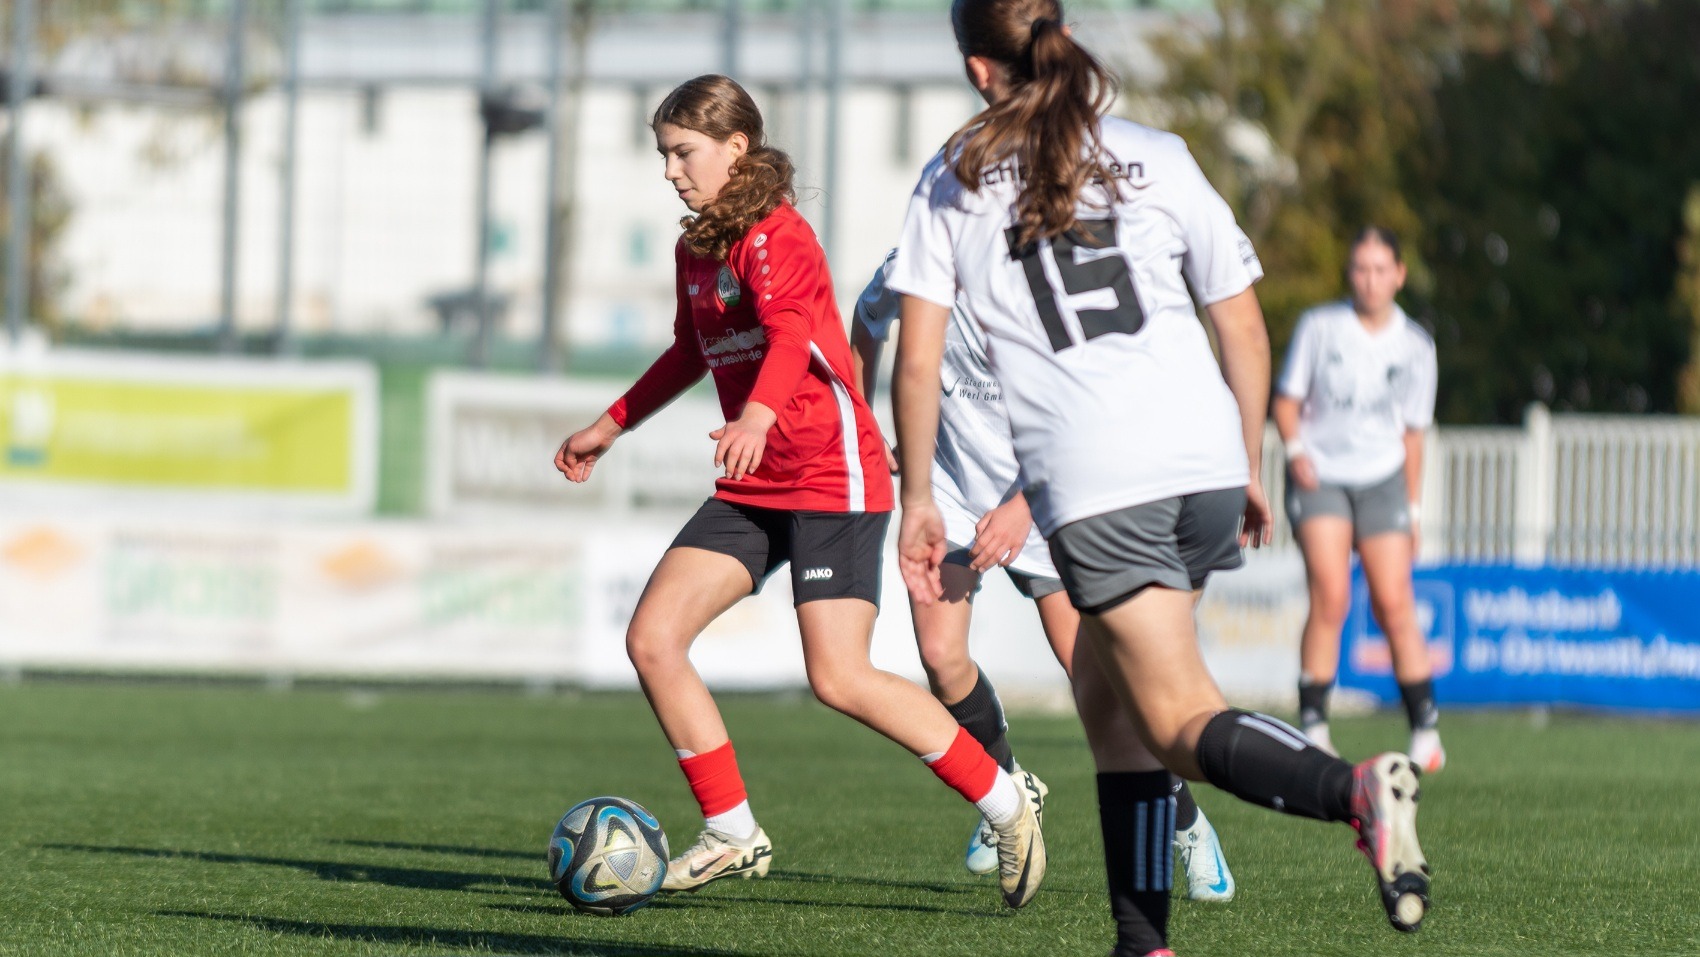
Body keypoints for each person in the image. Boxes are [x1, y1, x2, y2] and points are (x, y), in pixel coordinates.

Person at [884, 3, 1431, 954]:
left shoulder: (956, 177)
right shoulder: (1157, 151)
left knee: (1177, 715)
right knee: (1109, 699)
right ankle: (1143, 943)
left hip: (1103, 479)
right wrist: (1248, 458)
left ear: (980, 71)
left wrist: (921, 500)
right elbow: (1246, 326)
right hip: (1207, 459)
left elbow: (917, 362)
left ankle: (1357, 788)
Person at [553, 74, 1047, 909]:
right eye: (664, 154)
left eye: (684, 152)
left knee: (840, 676)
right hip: (759, 479)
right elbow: (687, 351)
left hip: (830, 471)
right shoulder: (695, 249)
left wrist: (758, 414)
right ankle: (733, 831)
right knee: (653, 638)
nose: (670, 170)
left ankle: (1008, 804)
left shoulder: (779, 234)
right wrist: (611, 423)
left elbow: (788, 338)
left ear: (735, 147)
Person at [850, 251, 1236, 902]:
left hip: (1052, 490)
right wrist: (865, 429)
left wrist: (1024, 506)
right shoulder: (915, 257)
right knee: (942, 657)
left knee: (1106, 682)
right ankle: (1007, 791)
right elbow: (865, 324)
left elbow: (1090, 415)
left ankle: (1188, 822)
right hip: (952, 486)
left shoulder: (1046, 275)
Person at [1273, 227, 1445, 772]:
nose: (1369, 280)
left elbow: (1413, 434)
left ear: (1399, 274)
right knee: (1331, 595)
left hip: (1383, 480)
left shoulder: (1417, 346)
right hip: (1321, 475)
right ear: (1350, 273)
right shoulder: (1321, 327)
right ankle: (1314, 727)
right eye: (1360, 269)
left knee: (1395, 600)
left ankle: (1425, 731)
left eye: (1380, 269)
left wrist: (1414, 511)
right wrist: (1296, 447)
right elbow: (1285, 402)